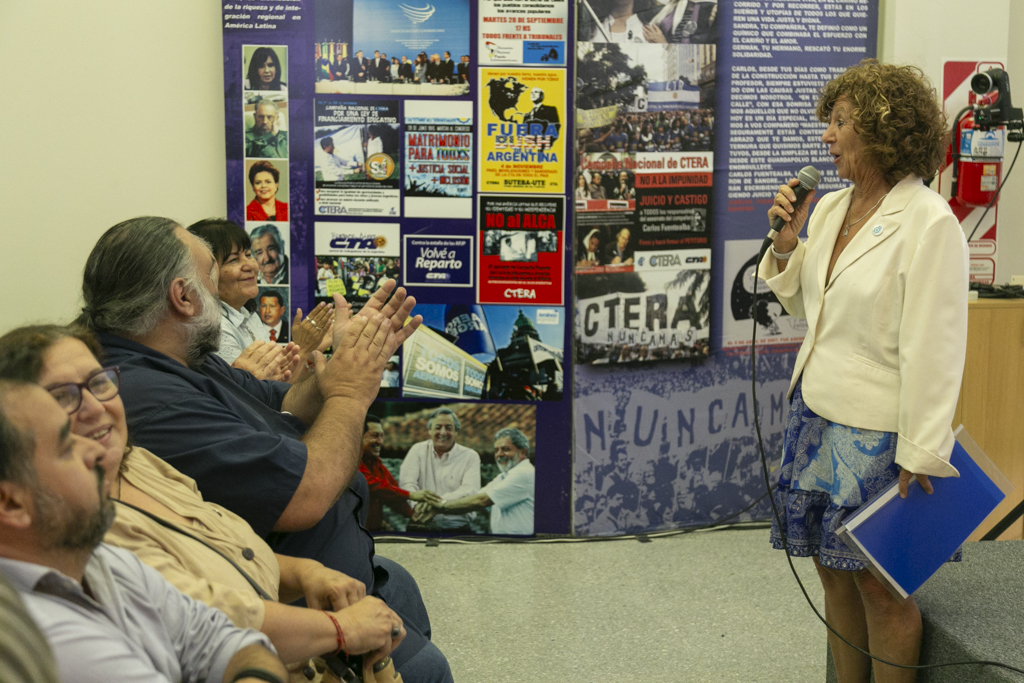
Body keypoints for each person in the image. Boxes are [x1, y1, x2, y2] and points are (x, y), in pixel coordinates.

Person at [74, 217, 451, 682]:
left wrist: (344, 363)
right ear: (183, 296)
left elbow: (287, 401)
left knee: (401, 586)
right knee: (429, 668)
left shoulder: (184, 359)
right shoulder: (149, 397)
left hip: (320, 568)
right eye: (212, 274)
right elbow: (307, 495)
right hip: (283, 604)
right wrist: (352, 393)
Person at [0, 324, 408, 670]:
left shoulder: (136, 461)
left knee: (400, 590)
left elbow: (207, 617)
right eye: (63, 397)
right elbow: (220, 618)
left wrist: (306, 572)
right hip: (296, 645)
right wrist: (337, 631)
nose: (96, 407)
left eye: (99, 382)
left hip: (290, 633)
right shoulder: (78, 525)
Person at [757, 59, 968, 683]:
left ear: (880, 130)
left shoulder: (929, 221)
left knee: (882, 587)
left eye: (841, 122)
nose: (827, 135)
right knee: (832, 571)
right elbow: (810, 307)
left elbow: (937, 345)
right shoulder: (829, 209)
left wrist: (921, 448)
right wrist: (787, 246)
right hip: (817, 415)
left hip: (879, 435)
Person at [0, 380, 288, 683]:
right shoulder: (43, 632)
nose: (95, 451)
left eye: (99, 381)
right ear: (11, 503)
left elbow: (227, 641)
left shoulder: (98, 559)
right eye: (67, 448)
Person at [186, 219, 329, 373]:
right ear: (204, 273)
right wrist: (304, 349)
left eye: (248, 255)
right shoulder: (214, 329)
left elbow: (275, 374)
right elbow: (256, 386)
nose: (250, 266)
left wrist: (308, 348)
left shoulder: (247, 314)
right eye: (233, 260)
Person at [430, 428, 535, 535]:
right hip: (506, 542)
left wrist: (440, 506)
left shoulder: (524, 473)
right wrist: (434, 501)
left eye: (505, 449)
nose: (499, 454)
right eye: (496, 450)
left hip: (520, 543)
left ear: (522, 452)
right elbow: (474, 496)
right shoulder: (504, 476)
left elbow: (482, 500)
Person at [399, 408, 481, 533]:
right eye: (438, 427)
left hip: (458, 529)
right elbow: (407, 483)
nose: (443, 432)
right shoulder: (417, 450)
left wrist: (436, 504)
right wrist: (417, 506)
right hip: (420, 526)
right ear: (430, 430)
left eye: (448, 428)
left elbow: (469, 491)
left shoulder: (470, 456)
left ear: (456, 431)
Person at [359, 415, 443, 531]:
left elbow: (394, 495)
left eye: (382, 436)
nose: (380, 442)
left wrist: (414, 514)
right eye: (375, 436)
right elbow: (372, 485)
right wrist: (411, 494)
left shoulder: (377, 466)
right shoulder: (348, 463)